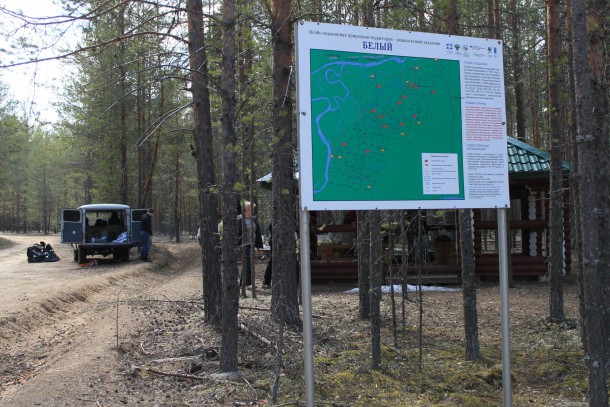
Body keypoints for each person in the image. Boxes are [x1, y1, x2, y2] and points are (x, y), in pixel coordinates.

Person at [237, 201, 263, 288]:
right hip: (245, 245)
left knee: (250, 263)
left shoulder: (254, 219)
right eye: (252, 208)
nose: (253, 210)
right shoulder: (240, 219)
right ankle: (246, 283)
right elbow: (238, 233)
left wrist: (258, 246)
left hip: (252, 244)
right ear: (247, 209)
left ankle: (244, 283)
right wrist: (239, 245)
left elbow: (257, 233)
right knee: (247, 263)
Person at [262, 222, 272, 289]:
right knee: (271, 263)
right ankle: (266, 282)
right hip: (275, 242)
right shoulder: (274, 220)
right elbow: (270, 227)